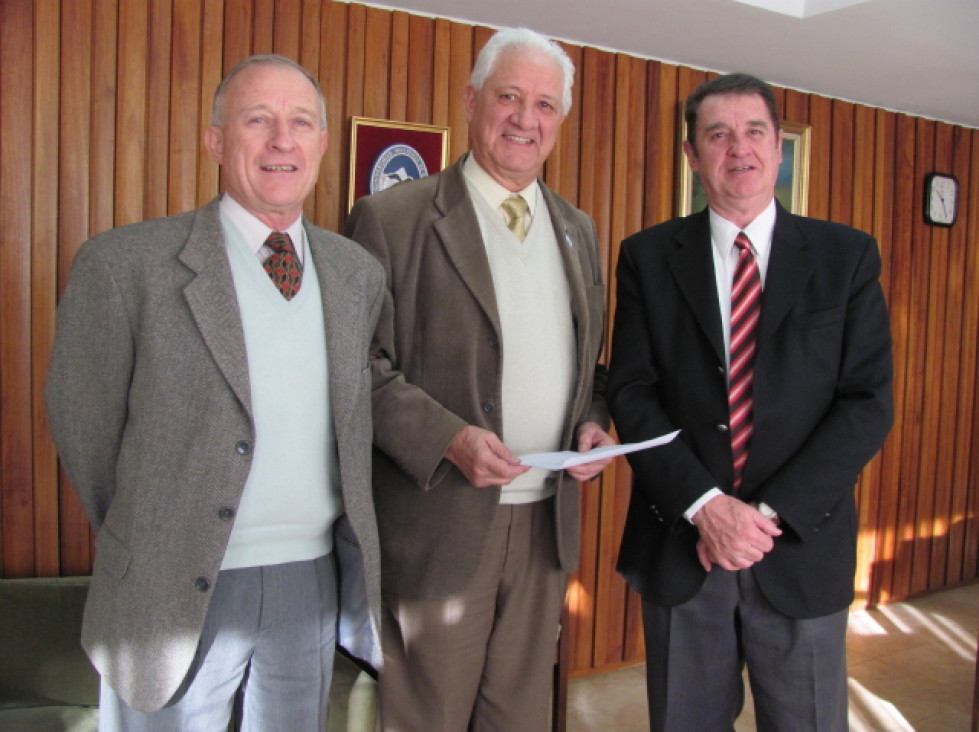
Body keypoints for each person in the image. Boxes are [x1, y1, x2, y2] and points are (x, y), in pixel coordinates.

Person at [45, 54, 385, 731]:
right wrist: (160, 534)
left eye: (300, 123)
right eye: (257, 120)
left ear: (320, 143)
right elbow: (85, 428)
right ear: (214, 140)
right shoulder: (124, 267)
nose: (281, 141)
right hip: (171, 586)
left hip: (309, 584)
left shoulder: (357, 274)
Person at [345, 26, 614, 732]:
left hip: (545, 524)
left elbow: (591, 366)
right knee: (427, 717)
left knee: (518, 716)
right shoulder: (392, 219)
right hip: (439, 522)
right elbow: (357, 369)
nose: (526, 119)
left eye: (545, 105)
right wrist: (448, 438)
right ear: (471, 102)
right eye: (509, 97)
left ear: (560, 120)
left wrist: (594, 421)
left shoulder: (576, 230)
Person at [607, 72, 893, 731]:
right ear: (691, 154)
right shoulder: (647, 258)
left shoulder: (844, 256)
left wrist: (760, 518)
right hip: (683, 544)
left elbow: (865, 403)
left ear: (779, 147)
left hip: (798, 547)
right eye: (718, 134)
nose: (739, 149)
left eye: (754, 131)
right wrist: (708, 509)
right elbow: (632, 390)